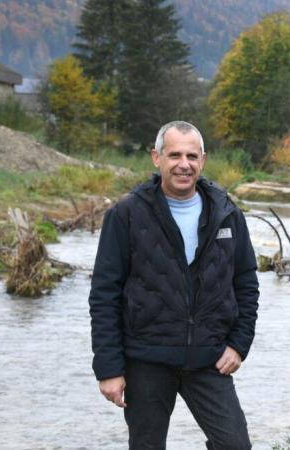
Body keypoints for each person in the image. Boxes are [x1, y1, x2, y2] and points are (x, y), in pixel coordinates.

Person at [89, 121, 259, 450]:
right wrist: (108, 368)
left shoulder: (227, 214)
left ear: (203, 160)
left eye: (192, 155)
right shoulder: (126, 215)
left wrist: (238, 344)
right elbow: (104, 296)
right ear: (157, 158)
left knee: (235, 445)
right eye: (175, 155)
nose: (184, 164)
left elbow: (246, 285)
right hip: (146, 360)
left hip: (209, 358)